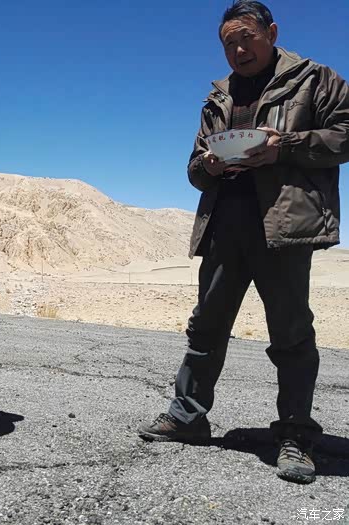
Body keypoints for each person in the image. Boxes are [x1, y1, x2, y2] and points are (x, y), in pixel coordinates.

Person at [138, 0, 349, 484]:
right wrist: (207, 166)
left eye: (246, 37)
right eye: (228, 42)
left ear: (271, 33)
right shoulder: (219, 96)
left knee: (291, 336)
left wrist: (284, 147)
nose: (238, 49)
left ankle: (296, 435)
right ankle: (188, 418)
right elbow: (194, 168)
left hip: (283, 228)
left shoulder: (315, 79)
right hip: (224, 226)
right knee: (205, 328)